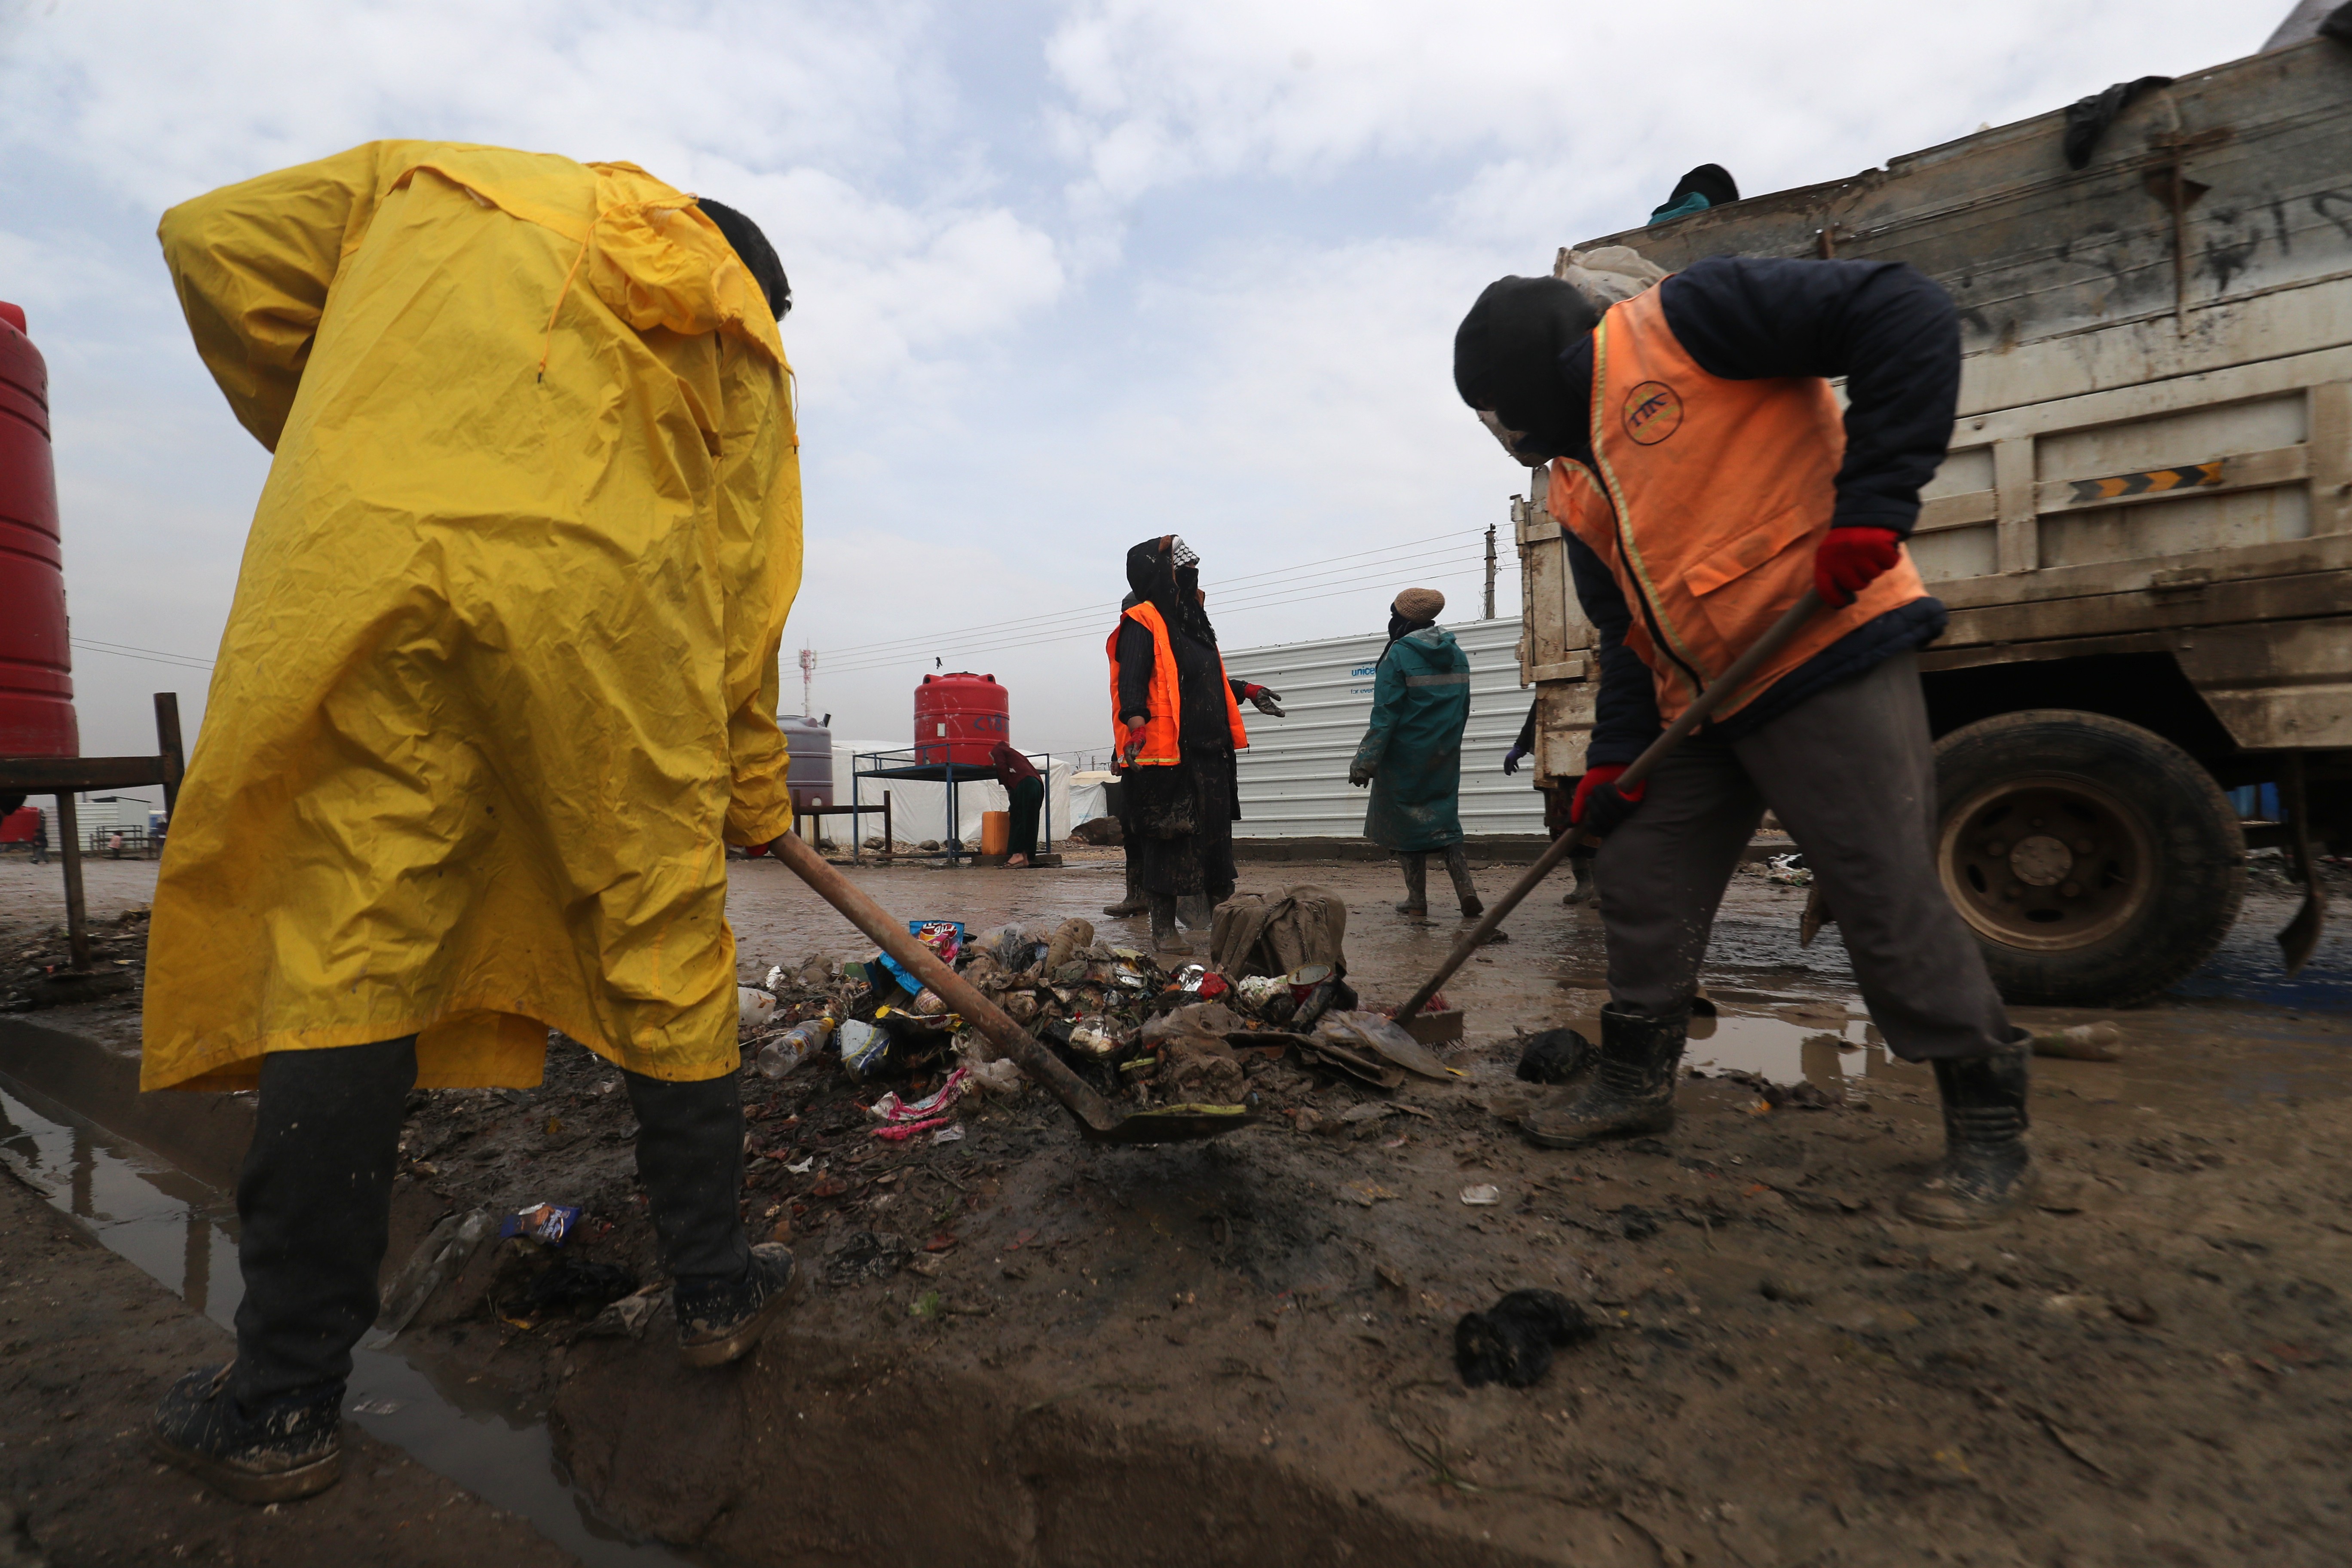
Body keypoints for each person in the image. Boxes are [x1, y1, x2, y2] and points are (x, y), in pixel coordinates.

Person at [141, 141, 803, 1504]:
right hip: (609, 614)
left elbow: (209, 240)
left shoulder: (426, 180)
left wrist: (354, 420)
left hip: (368, 564)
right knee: (660, 934)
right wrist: (749, 792)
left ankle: (280, 1406)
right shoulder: (731, 316)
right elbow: (744, 580)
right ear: (739, 262)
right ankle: (716, 1288)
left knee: (349, 947)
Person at [1453, 253, 2037, 1230]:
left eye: (1500, 416)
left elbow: (1903, 307)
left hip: (1819, 648)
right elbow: (1625, 633)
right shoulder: (1573, 486)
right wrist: (1612, 759)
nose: (1506, 438)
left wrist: (1874, 504)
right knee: (1638, 868)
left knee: (1877, 887)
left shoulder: (1687, 320)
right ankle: (1634, 1080)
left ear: (1533, 380)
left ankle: (1987, 1121)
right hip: (1697, 699)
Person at [1107, 536, 1283, 952]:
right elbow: (1132, 684)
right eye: (1177, 566)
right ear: (1155, 574)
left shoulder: (1194, 625)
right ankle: (1164, 930)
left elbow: (1205, 680)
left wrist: (1247, 690)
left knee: (1216, 846)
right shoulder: (1142, 622)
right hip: (1172, 759)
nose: (1188, 573)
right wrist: (1135, 729)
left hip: (1211, 755)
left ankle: (1224, 928)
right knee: (1171, 842)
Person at [1349, 589, 1481, 919]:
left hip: (1404, 758)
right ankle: (1466, 890)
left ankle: (1417, 899)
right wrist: (1447, 744)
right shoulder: (1457, 654)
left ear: (1402, 619)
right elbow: (1463, 708)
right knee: (1445, 821)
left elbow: (1385, 715)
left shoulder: (1399, 655)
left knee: (1406, 826)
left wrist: (1365, 761)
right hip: (1444, 753)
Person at [1504, 700, 1596, 906]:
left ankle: (1601, 883)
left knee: (1594, 823)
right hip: (1556, 758)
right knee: (1561, 824)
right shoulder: (1550, 688)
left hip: (1591, 756)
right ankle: (1584, 881)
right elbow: (1539, 708)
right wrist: (1520, 746)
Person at [987, 739, 1044, 867]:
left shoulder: (997, 750)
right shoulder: (1016, 754)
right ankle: (1026, 857)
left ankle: (1017, 854)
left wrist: (1008, 786)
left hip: (1024, 784)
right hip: (1037, 784)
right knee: (1030, 820)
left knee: (1018, 817)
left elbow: (1002, 768)